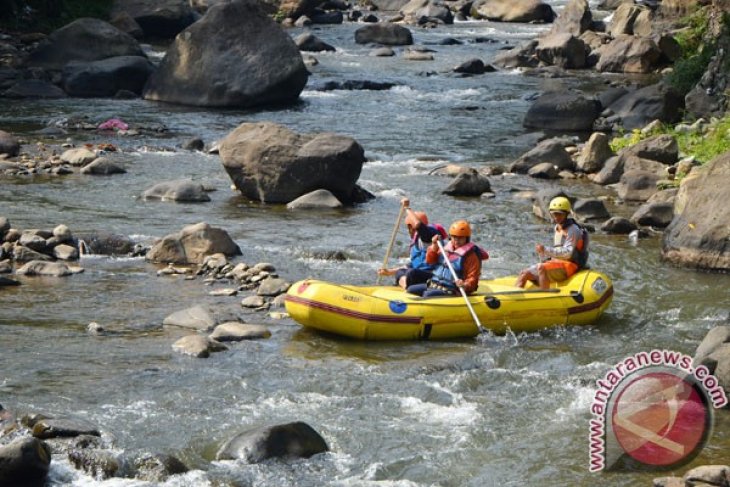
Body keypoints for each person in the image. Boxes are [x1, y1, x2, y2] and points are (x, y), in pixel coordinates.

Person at [515, 196, 589, 290]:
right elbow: (556, 252)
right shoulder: (558, 228)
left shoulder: (573, 230)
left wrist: (546, 249)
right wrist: (543, 254)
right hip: (557, 264)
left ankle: (545, 297)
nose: (556, 217)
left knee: (541, 267)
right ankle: (515, 299)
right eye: (554, 214)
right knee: (524, 273)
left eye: (559, 214)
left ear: (566, 214)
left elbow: (568, 253)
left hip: (570, 266)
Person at [407, 220, 489, 298]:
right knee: (411, 290)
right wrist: (434, 247)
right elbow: (430, 261)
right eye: (454, 237)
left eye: (460, 238)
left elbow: (473, 278)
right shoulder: (446, 248)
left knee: (427, 294)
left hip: (452, 289)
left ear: (466, 238)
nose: (456, 241)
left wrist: (464, 285)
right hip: (435, 283)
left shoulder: (471, 256)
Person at [377, 198, 446, 289]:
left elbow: (418, 225)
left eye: (409, 227)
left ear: (411, 226)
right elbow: (412, 264)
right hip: (419, 274)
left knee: (411, 273)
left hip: (433, 275)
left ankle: (408, 288)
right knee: (400, 272)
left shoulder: (430, 235)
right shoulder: (416, 241)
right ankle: (406, 288)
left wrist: (406, 208)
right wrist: (389, 272)